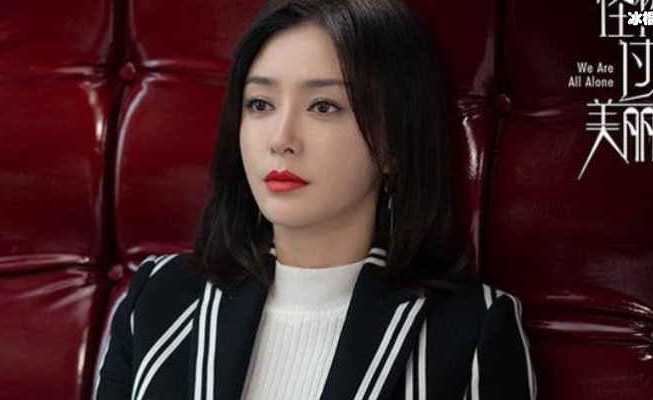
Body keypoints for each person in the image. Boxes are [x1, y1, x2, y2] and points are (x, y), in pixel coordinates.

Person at [95, 0, 537, 399]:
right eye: (260, 104)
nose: (281, 139)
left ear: (394, 143)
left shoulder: (472, 331)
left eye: (323, 106)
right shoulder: (158, 299)